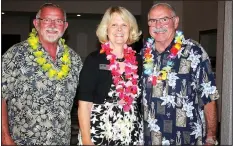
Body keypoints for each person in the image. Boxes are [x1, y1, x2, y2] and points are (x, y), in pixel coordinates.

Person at [1, 3, 83, 145]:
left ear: (65, 26)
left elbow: (85, 97)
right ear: (36, 23)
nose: (52, 25)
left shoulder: (74, 59)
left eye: (58, 21)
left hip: (61, 140)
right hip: (23, 140)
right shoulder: (17, 54)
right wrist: (5, 137)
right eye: (46, 20)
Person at [141, 3, 219, 145]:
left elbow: (209, 98)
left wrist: (211, 138)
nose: (158, 25)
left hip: (186, 139)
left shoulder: (194, 52)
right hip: (150, 139)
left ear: (175, 21)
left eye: (164, 19)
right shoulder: (143, 55)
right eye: (153, 21)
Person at [77, 6, 143, 145]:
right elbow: (84, 105)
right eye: (114, 25)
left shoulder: (138, 61)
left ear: (130, 30)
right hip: (100, 132)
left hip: (132, 132)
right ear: (106, 29)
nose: (119, 29)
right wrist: (86, 140)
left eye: (124, 25)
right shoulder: (94, 60)